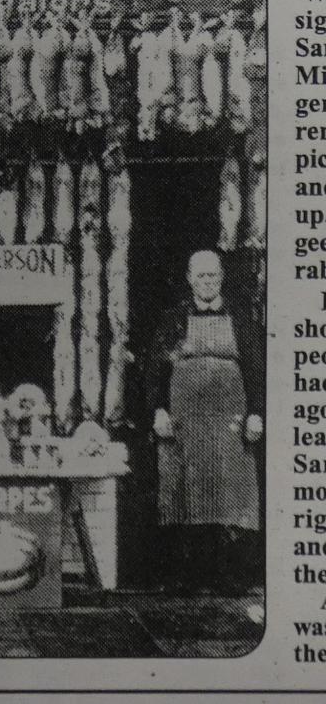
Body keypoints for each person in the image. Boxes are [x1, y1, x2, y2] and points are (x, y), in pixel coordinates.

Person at [146, 250, 264, 593]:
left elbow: (257, 370)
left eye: (212, 275)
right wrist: (158, 410)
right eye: (200, 276)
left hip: (230, 422)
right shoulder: (174, 319)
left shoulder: (242, 318)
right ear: (189, 279)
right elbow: (155, 371)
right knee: (185, 492)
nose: (207, 282)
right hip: (184, 423)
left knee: (231, 495)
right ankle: (187, 577)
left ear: (222, 277)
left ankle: (229, 577)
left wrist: (257, 412)